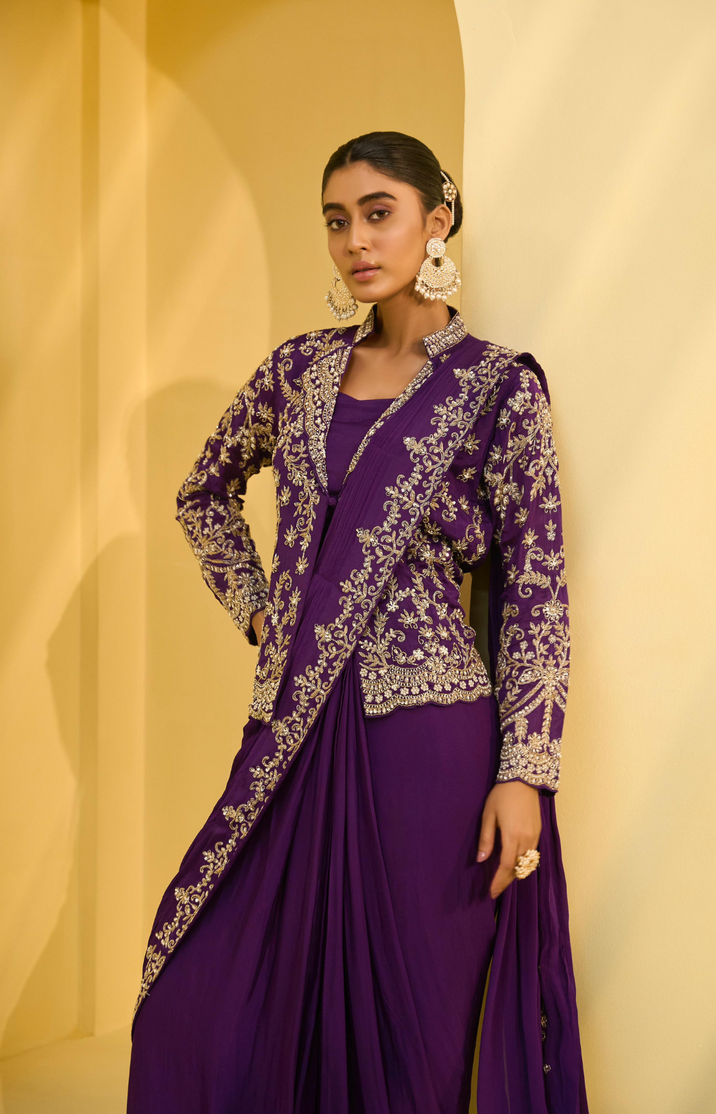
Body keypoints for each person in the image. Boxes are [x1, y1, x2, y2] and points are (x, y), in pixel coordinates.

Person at [127, 131, 588, 1113]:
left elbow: (538, 588)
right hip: (291, 726)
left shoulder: (497, 387)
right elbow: (202, 493)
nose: (354, 241)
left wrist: (524, 771)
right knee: (199, 998)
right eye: (336, 220)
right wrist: (260, 610)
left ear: (436, 220)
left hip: (427, 741)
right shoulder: (296, 370)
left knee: (418, 1030)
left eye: (379, 213)